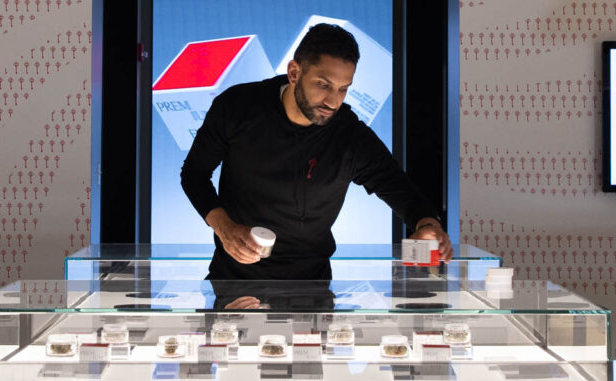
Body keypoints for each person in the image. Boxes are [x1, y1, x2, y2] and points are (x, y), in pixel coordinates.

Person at [180, 22, 446, 290]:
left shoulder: (350, 135)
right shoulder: (237, 107)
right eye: (323, 84)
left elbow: (403, 192)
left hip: (311, 288)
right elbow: (194, 175)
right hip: (233, 281)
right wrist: (225, 228)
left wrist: (428, 226)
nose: (333, 101)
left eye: (343, 88)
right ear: (294, 72)